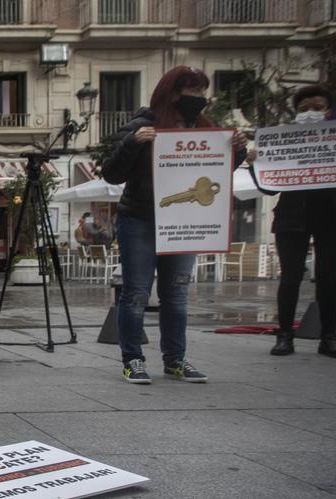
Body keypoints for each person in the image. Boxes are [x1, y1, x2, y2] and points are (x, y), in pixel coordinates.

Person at [101, 66, 247, 384]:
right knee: (136, 293)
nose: (198, 98)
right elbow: (111, 173)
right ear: (172, 93)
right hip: (139, 219)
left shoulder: (206, 130)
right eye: (191, 91)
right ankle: (133, 360)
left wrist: (237, 148)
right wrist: (133, 142)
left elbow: (217, 174)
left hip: (183, 222)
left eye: (201, 91)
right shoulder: (142, 126)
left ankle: (175, 360)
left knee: (177, 294)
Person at [249, 85, 336, 358]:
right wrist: (257, 165)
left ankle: (329, 337)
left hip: (334, 217)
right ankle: (284, 336)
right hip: (292, 218)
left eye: (317, 107)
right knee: (290, 278)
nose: (310, 113)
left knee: (328, 279)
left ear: (329, 110)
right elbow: (269, 188)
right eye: (304, 110)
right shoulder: (286, 140)